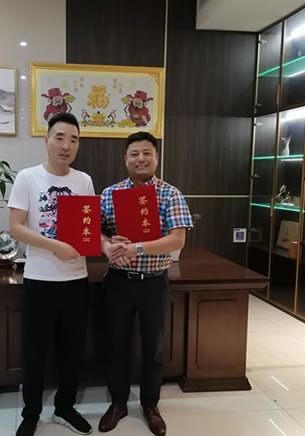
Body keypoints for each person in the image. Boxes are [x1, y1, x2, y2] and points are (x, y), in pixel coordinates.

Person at [98, 131, 193, 436]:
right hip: (119, 282)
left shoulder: (170, 194)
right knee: (117, 345)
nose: (141, 159)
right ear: (125, 159)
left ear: (156, 158)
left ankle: (150, 405)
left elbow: (177, 239)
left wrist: (136, 248)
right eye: (134, 154)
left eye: (147, 153)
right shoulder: (110, 194)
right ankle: (118, 403)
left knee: (154, 347)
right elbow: (93, 231)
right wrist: (109, 244)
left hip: (153, 283)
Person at [8, 112, 95, 436]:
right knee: (35, 350)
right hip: (40, 280)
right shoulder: (28, 178)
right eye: (59, 138)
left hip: (75, 280)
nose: (66, 146)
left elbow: (88, 228)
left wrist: (105, 242)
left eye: (73, 140)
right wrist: (55, 245)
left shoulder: (83, 181)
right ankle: (31, 413)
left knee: (72, 350)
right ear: (46, 141)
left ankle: (65, 408)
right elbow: (16, 227)